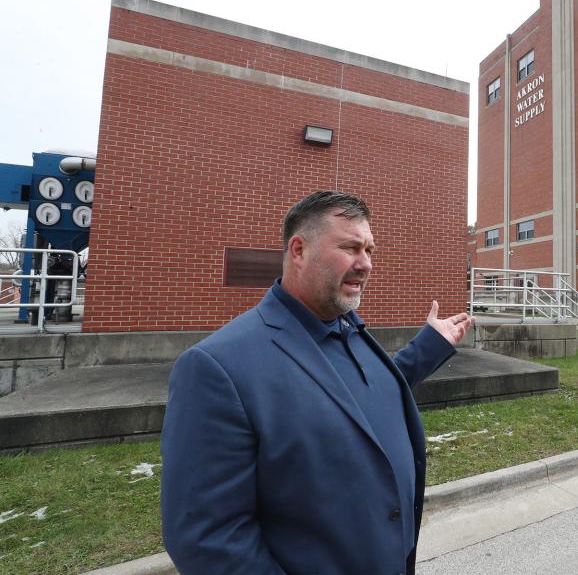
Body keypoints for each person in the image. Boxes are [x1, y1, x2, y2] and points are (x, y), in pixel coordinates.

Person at [161, 191, 474, 574]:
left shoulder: (346, 328)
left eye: (370, 250)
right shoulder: (215, 368)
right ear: (298, 250)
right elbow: (208, 538)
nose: (366, 264)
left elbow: (364, 398)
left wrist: (430, 346)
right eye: (351, 247)